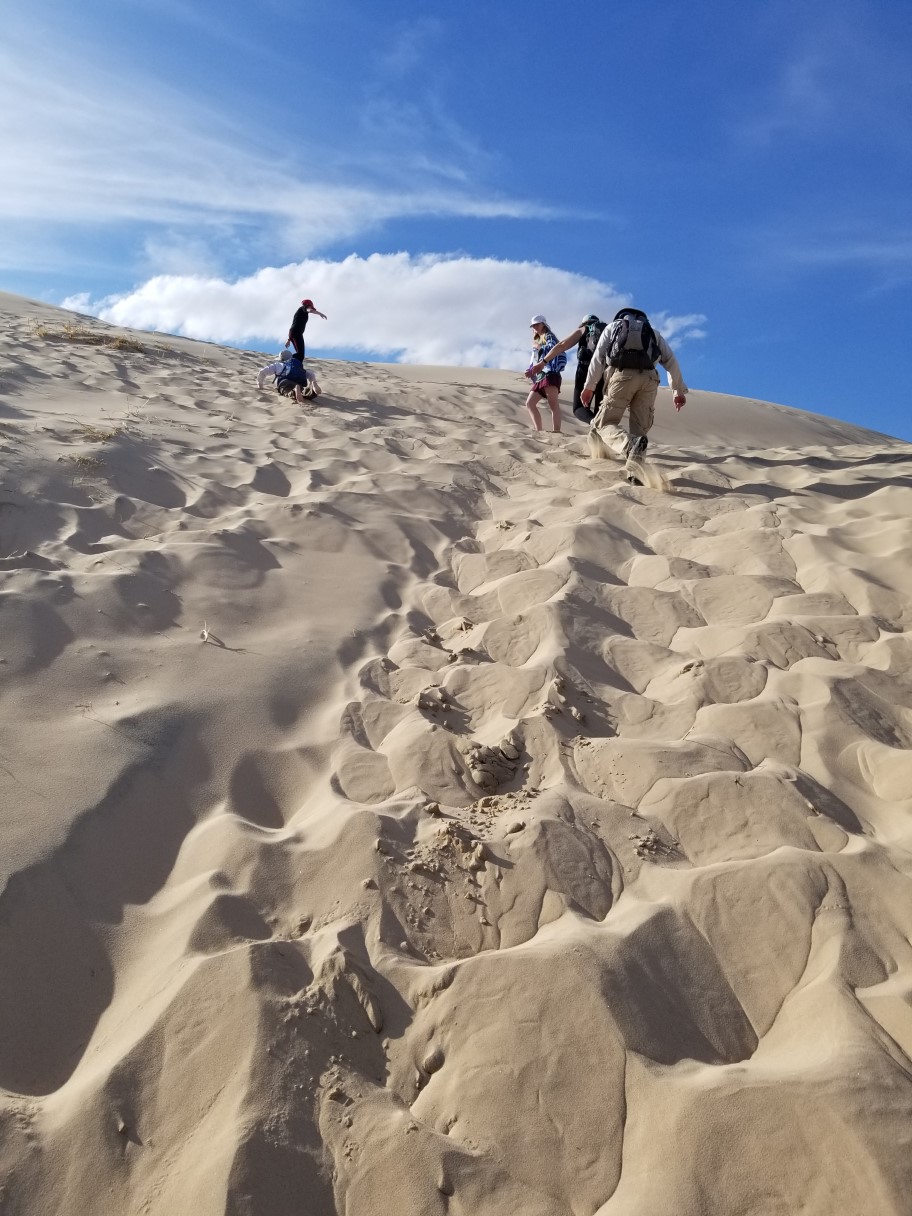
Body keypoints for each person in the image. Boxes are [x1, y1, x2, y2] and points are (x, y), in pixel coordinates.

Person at [581, 307, 687, 483]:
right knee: (639, 429)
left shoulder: (612, 327)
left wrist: (589, 387)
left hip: (622, 376)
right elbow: (671, 361)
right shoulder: (653, 333)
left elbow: (598, 358)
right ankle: (635, 473)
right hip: (650, 379)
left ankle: (627, 445)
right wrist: (677, 391)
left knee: (605, 423)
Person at [530, 313, 606, 423]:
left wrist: (543, 362)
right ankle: (601, 429)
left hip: (585, 370)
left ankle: (594, 423)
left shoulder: (584, 329)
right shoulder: (608, 329)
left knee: (579, 408)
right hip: (605, 371)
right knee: (600, 407)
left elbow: (562, 345)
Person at [523, 315, 566, 433]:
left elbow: (552, 349)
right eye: (533, 325)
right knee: (530, 403)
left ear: (543, 324)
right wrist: (530, 370)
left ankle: (557, 432)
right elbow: (535, 359)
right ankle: (539, 432)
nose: (535, 327)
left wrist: (539, 346)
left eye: (537, 324)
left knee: (553, 405)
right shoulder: (539, 339)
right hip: (541, 376)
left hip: (551, 374)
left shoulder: (550, 336)